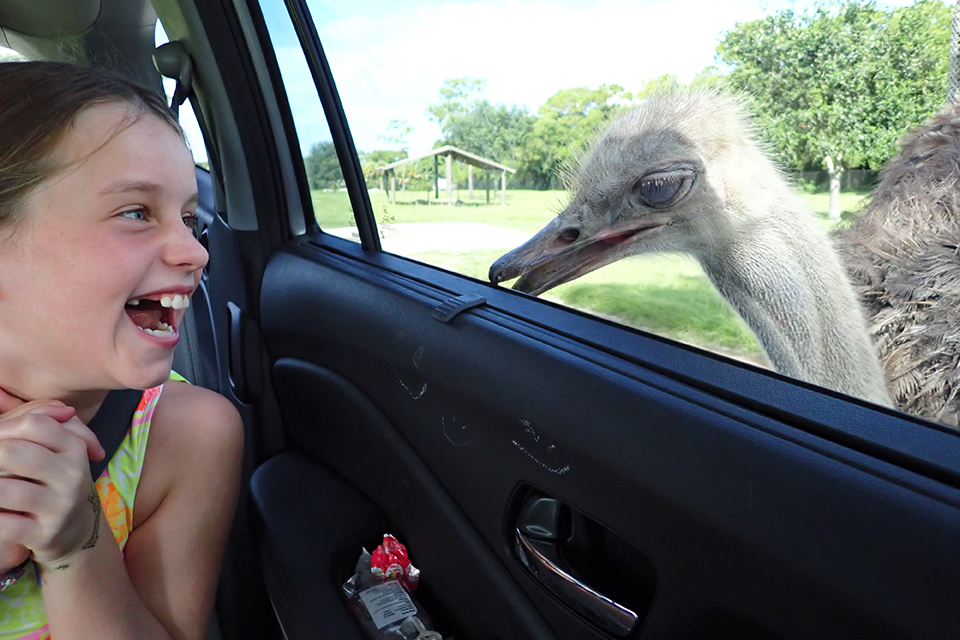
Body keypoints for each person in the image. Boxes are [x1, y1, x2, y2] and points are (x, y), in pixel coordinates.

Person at [0, 61, 244, 640]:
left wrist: (76, 546)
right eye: (136, 212)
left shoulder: (187, 435)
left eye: (190, 219)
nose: (196, 253)